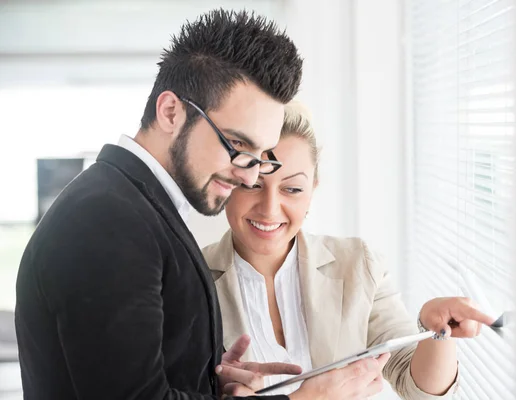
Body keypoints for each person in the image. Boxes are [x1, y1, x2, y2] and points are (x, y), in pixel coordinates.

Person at [15, 10, 388, 400]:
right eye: (237, 146)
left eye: (260, 155)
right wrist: (305, 398)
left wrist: (207, 381)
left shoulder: (135, 205)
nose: (248, 176)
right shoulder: (107, 222)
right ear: (171, 112)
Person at [203, 102, 497, 398]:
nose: (269, 209)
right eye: (253, 185)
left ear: (312, 190)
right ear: (230, 181)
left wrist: (437, 332)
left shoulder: (359, 264)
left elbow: (418, 388)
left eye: (292, 189)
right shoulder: (189, 278)